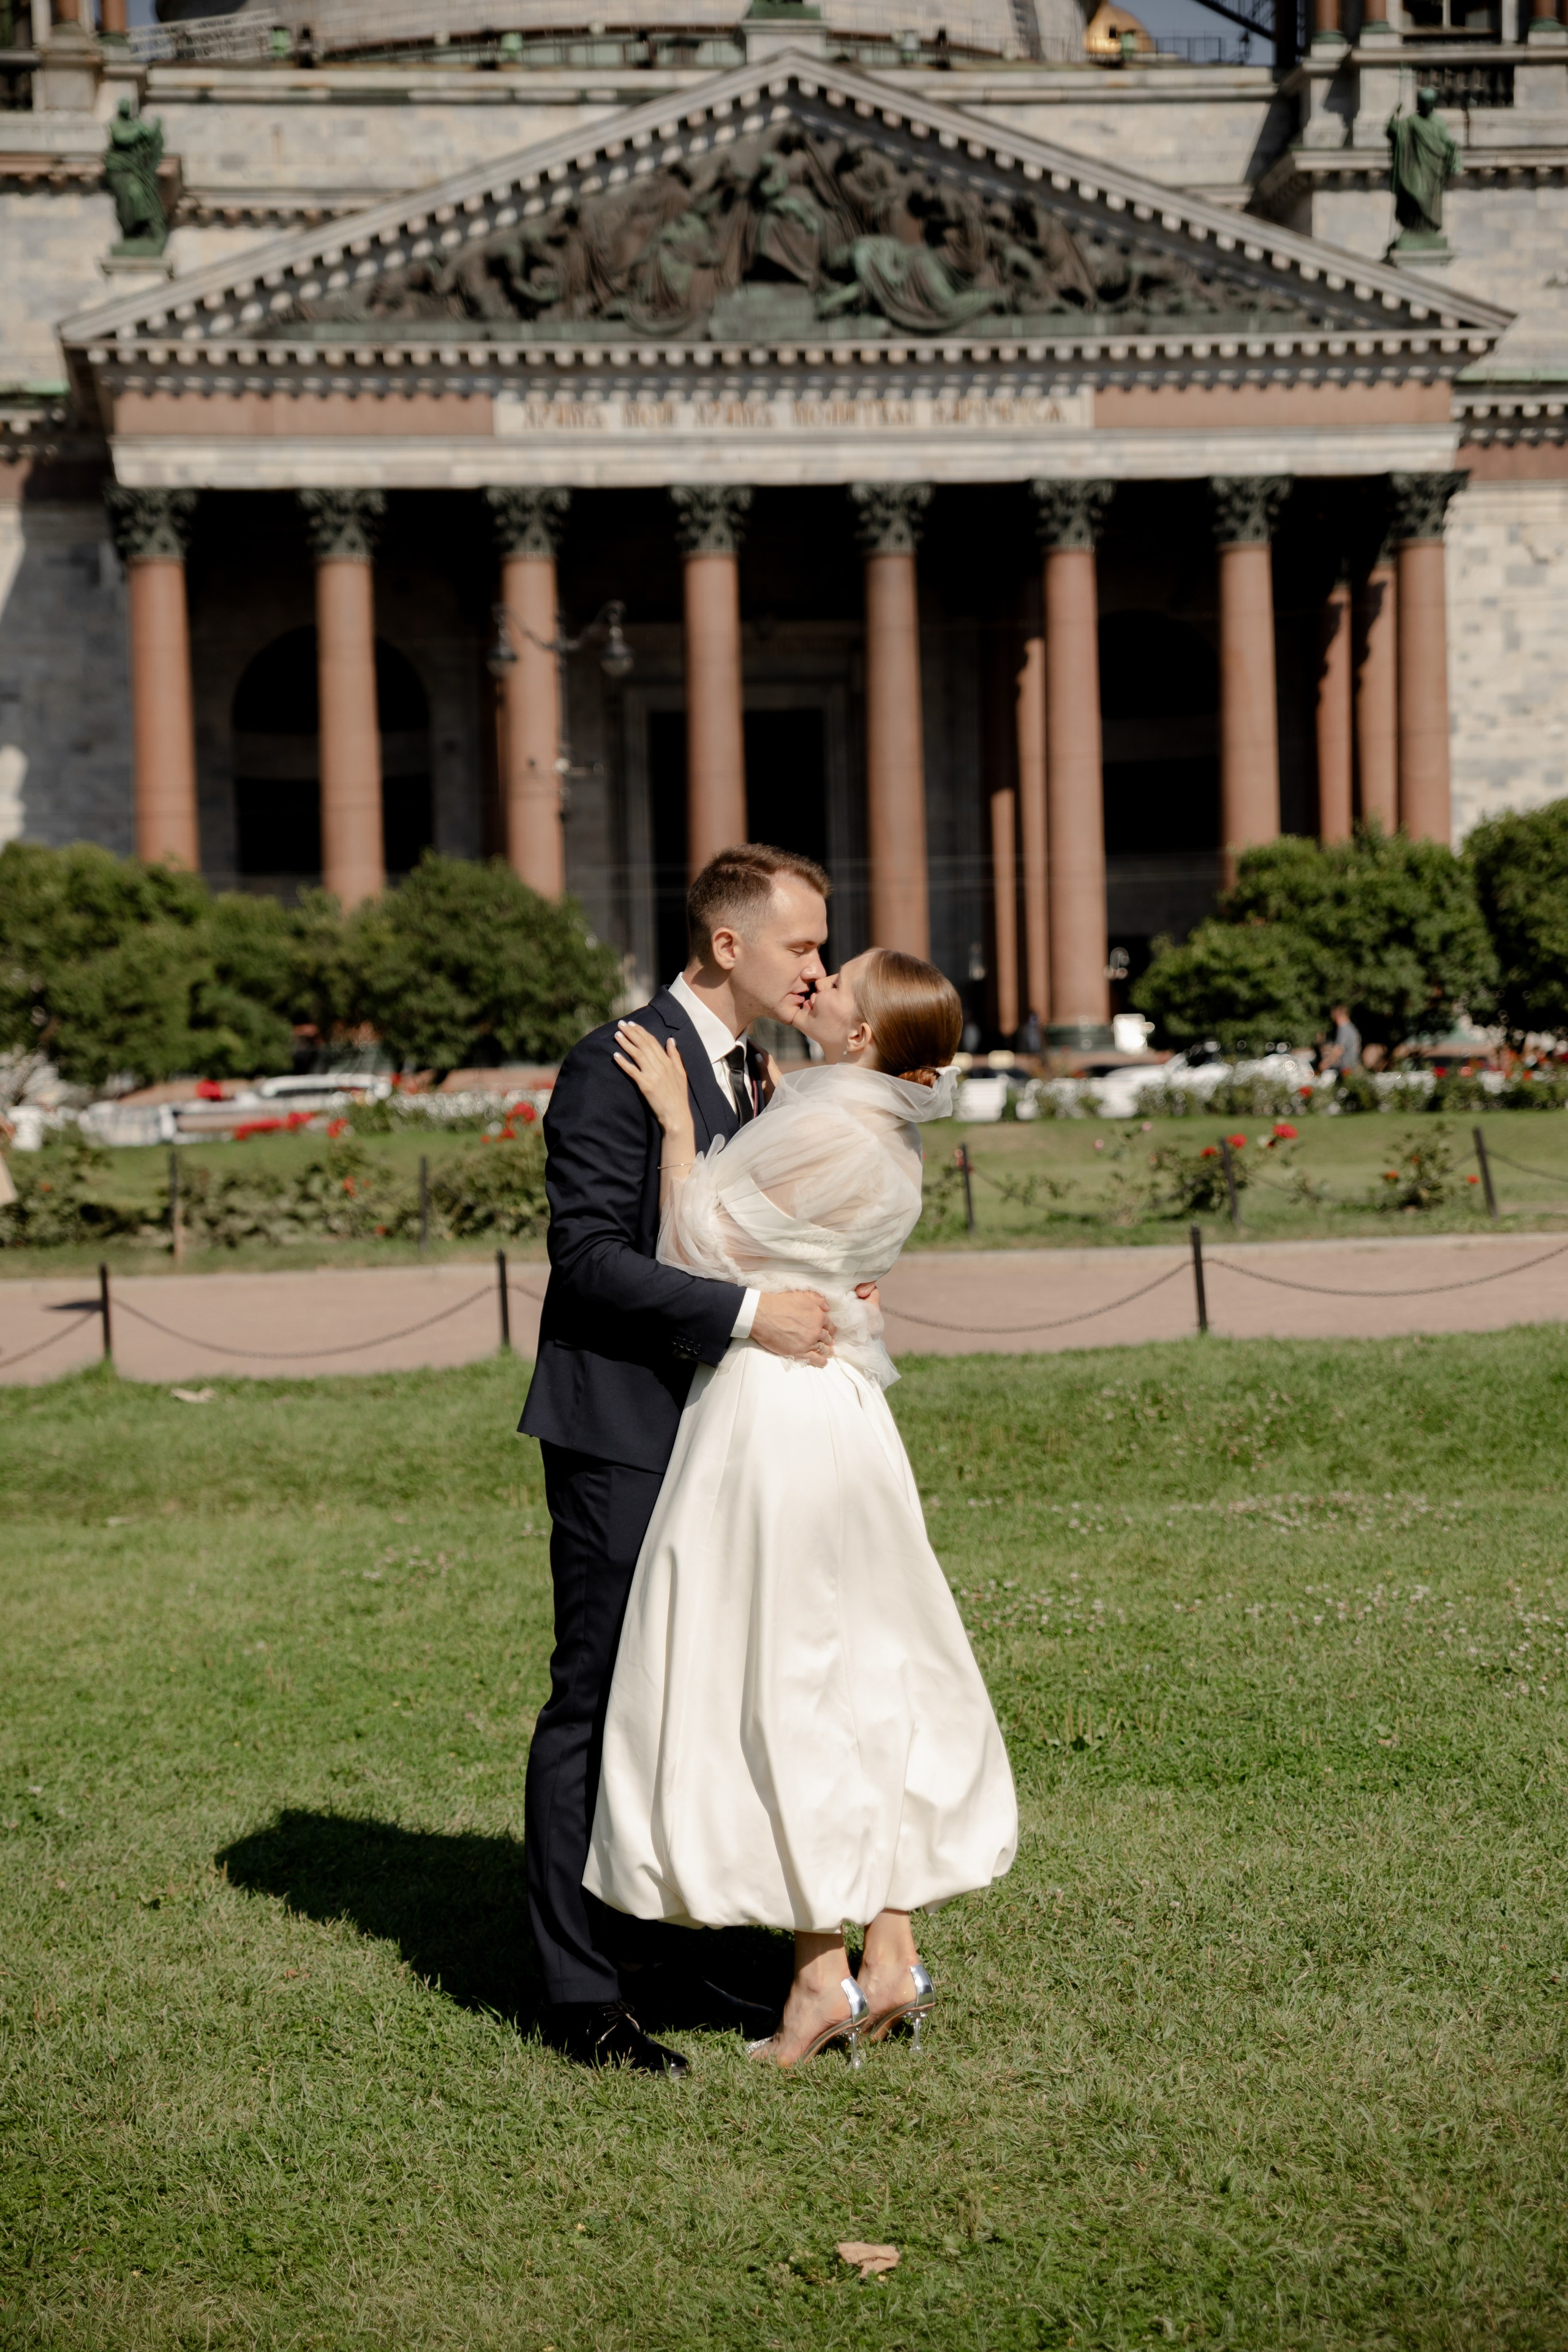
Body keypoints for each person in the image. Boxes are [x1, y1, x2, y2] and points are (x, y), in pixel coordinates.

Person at [586, 948, 1018, 2070]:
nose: (818, 984)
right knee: (863, 1661)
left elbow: (691, 1250)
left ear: (867, 1035)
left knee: (785, 1669)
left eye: (842, 982)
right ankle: (881, 1957)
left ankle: (825, 1972)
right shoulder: (873, 1126)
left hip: (774, 1413)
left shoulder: (826, 1124)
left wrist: (682, 1128)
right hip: (844, 1416)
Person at [518, 843, 845, 2075]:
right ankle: (576, 1995)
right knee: (597, 1703)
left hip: (729, 1436)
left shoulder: (758, 1069)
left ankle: (657, 1942)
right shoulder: (612, 1065)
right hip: (622, 1434)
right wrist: (753, 1317)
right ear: (729, 946)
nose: (816, 963)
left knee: (688, 1698)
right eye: (802, 944)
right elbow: (588, 1261)